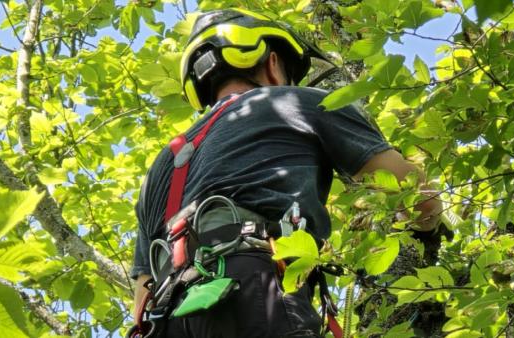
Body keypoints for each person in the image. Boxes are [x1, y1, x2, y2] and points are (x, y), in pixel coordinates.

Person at [130, 8, 442, 338]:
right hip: (249, 289)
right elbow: (415, 197)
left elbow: (140, 300)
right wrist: (430, 229)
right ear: (273, 62)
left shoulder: (160, 168)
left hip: (165, 317)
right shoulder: (298, 102)